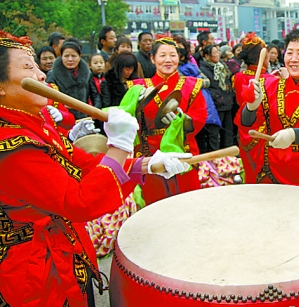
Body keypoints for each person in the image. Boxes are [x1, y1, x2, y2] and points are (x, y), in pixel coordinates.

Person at [0, 30, 191, 307]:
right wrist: (120, 144)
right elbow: (79, 201)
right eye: (29, 67)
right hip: (34, 272)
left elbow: (84, 163)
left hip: (61, 253)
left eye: (39, 68)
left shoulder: (35, 127)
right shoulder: (12, 145)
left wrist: (145, 165)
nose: (42, 76)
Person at [237, 28, 299, 190]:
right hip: (269, 169)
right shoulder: (268, 86)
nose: (293, 59)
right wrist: (251, 106)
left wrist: (294, 134)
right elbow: (247, 126)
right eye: (289, 53)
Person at [127, 36, 207, 205]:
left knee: (187, 202)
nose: (168, 60)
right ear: (152, 58)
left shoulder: (191, 85)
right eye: (162, 55)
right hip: (150, 155)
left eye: (173, 55)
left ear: (179, 57)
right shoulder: (139, 87)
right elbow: (126, 119)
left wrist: (182, 120)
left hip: (182, 151)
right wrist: (135, 102)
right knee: (156, 205)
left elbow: (200, 116)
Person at [232, 32, 275, 184]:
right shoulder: (272, 81)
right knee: (266, 169)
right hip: (264, 129)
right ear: (262, 57)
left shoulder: (238, 77)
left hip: (244, 126)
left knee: (249, 165)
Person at [46, 41, 101, 120]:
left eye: (74, 56)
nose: (70, 59)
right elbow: (49, 99)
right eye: (66, 56)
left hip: (84, 118)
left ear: (79, 56)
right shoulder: (52, 74)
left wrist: (95, 111)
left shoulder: (87, 73)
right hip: (61, 119)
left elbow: (95, 95)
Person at [199, 44, 234, 151]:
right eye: (215, 52)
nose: (218, 54)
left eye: (218, 51)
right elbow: (211, 87)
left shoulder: (222, 66)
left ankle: (229, 154)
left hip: (227, 102)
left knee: (228, 130)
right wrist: (219, 97)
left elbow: (227, 81)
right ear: (207, 56)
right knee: (214, 133)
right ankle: (215, 156)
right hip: (216, 104)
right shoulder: (204, 69)